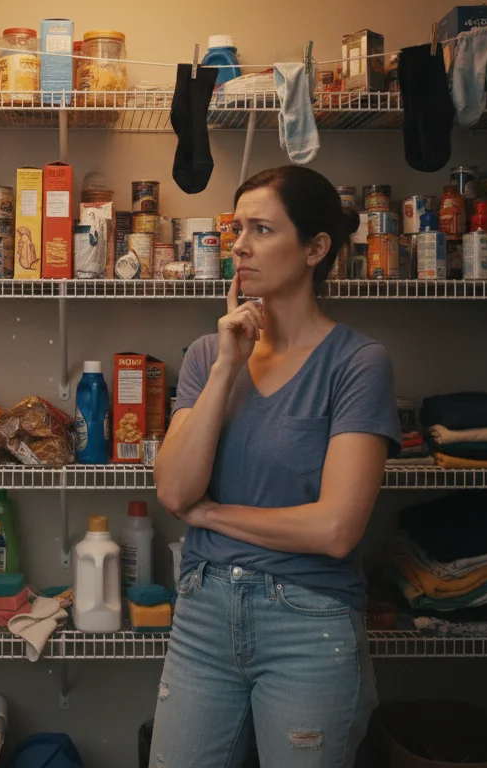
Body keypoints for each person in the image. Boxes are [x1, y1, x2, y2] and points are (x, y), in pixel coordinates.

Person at [149, 165, 400, 768]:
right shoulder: (211, 352)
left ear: (315, 248)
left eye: (262, 229)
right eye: (237, 229)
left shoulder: (358, 363)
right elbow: (174, 490)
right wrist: (224, 369)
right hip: (204, 614)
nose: (239, 245)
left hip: (307, 621)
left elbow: (336, 530)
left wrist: (211, 514)